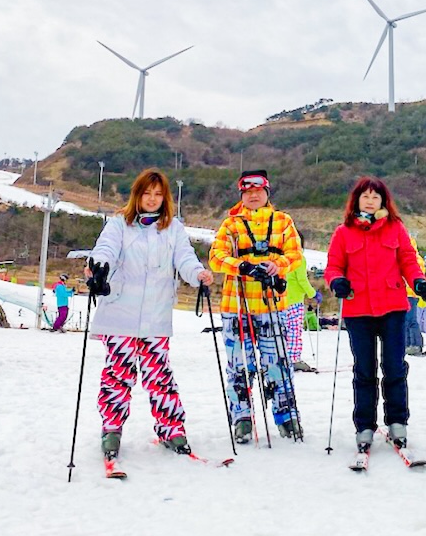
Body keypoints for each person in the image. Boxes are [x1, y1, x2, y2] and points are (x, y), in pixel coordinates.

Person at [87, 169, 212, 459]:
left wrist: (198, 274)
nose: (152, 199)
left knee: (160, 375)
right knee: (119, 375)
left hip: (156, 316)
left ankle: (172, 429)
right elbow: (104, 248)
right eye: (147, 193)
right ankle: (112, 428)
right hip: (120, 313)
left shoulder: (173, 228)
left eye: (158, 194)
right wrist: (99, 267)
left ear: (165, 197)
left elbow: (184, 257)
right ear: (137, 195)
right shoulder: (119, 223)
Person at [324, 177, 426, 451]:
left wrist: (418, 281)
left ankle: (397, 421)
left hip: (392, 306)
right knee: (364, 369)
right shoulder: (343, 232)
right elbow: (333, 266)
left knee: (394, 366)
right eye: (365, 197)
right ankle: (364, 425)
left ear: (384, 201)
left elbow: (408, 259)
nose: (370, 201)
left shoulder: (395, 228)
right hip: (358, 309)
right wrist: (337, 281)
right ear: (356, 200)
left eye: (375, 197)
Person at [208, 169, 306, 443]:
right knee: (240, 366)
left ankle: (287, 418)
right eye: (247, 192)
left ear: (267, 193)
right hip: (237, 307)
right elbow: (216, 257)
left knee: (277, 364)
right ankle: (241, 419)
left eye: (258, 191)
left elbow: (295, 254)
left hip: (272, 307)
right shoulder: (231, 224)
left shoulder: (283, 221)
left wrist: (278, 266)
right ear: (242, 195)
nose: (253, 195)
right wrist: (244, 267)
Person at [283, 252, 317, 371]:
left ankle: (281, 358)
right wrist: (313, 293)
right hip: (295, 300)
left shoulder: (278, 257)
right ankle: (293, 359)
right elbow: (302, 280)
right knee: (294, 330)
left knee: (282, 330)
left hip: (280, 301)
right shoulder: (298, 259)